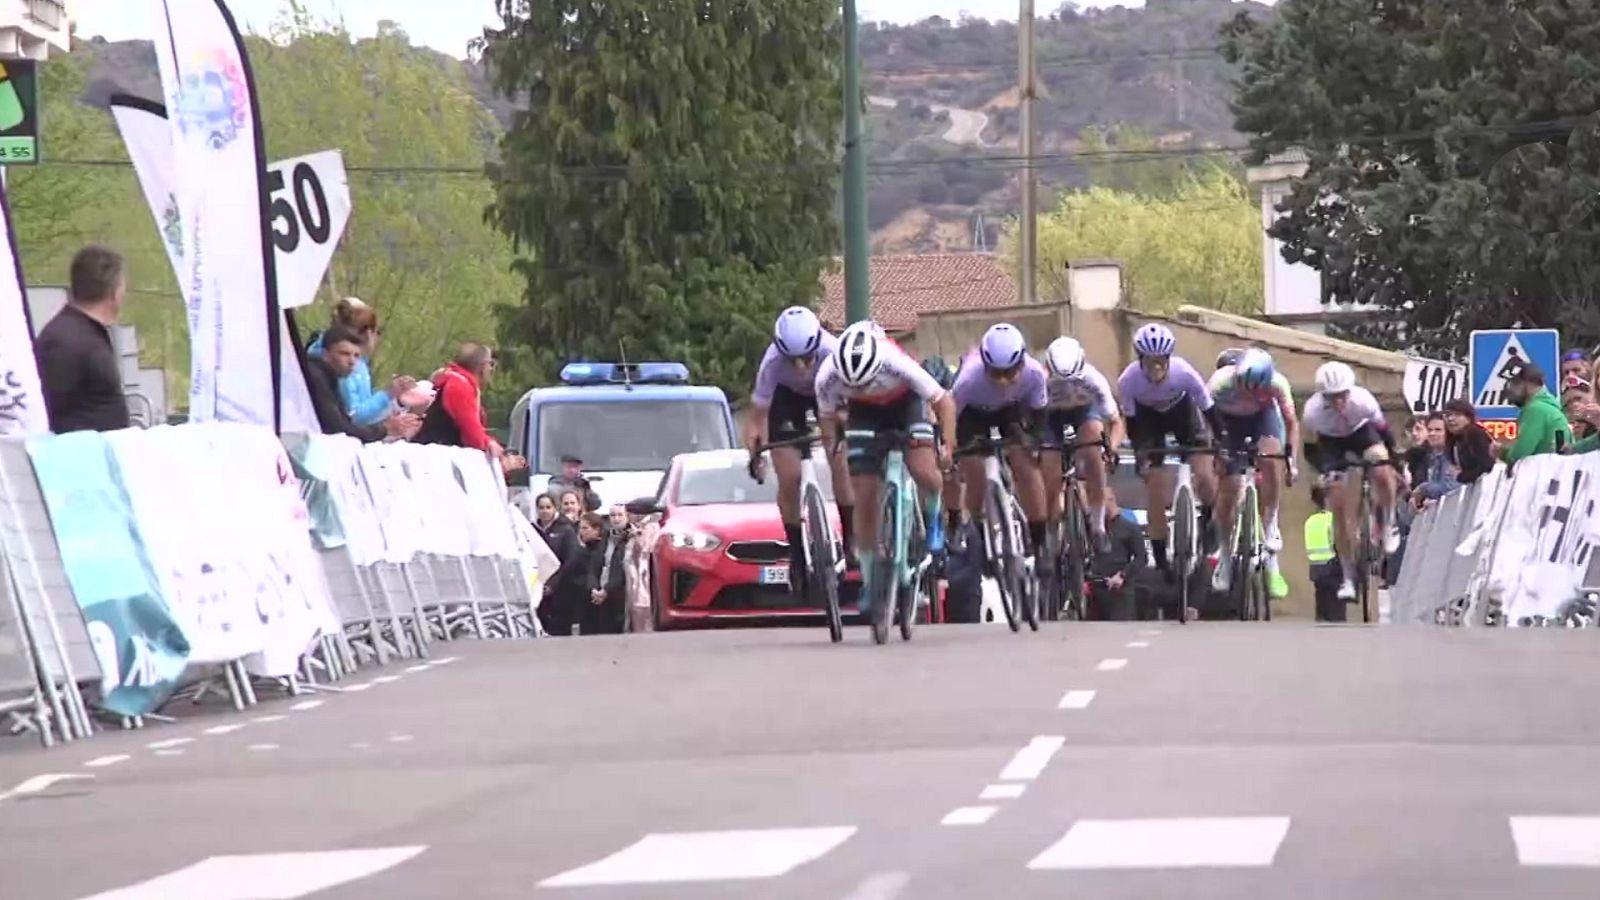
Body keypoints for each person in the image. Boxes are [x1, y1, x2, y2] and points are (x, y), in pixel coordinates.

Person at [815, 320, 956, 606]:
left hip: (905, 405)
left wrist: (948, 447)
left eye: (866, 381)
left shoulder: (896, 362)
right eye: (855, 384)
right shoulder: (827, 376)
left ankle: (934, 515)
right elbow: (828, 420)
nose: (863, 386)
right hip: (863, 413)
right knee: (864, 498)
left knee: (922, 469)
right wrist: (834, 448)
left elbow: (944, 403)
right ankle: (870, 580)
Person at [744, 306, 852, 591]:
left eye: (806, 358)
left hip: (826, 393)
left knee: (840, 458)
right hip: (786, 400)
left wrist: (846, 425)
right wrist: (755, 453)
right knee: (788, 477)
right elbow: (756, 418)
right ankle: (796, 555)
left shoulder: (832, 351)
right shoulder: (771, 362)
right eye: (792, 360)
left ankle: (851, 539)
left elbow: (853, 401)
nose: (801, 366)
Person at [947, 323, 1051, 581]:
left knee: (1026, 464)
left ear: (1022, 364)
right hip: (972, 417)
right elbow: (950, 418)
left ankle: (1040, 543)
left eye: (1010, 373)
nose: (1003, 381)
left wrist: (1033, 442)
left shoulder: (1035, 374)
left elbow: (1040, 416)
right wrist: (951, 449)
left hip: (1011, 413)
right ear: (984, 365)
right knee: (974, 471)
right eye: (996, 374)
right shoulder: (968, 380)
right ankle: (979, 530)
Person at [1117, 323, 1220, 580]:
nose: (1156, 368)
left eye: (1161, 361)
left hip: (1184, 418)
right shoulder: (1128, 381)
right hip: (1149, 423)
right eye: (1150, 362)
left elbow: (1209, 410)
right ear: (1141, 359)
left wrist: (1221, 440)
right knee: (1155, 485)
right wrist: (1142, 454)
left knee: (1205, 474)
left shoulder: (1184, 372)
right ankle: (1161, 555)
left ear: (1169, 358)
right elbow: (1132, 426)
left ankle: (1209, 515)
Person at [1301, 360, 1400, 602]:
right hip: (1330, 444)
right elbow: (1311, 449)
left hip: (1361, 433)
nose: (1338, 402)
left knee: (1381, 467)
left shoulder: (1363, 401)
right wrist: (1324, 472)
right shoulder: (1312, 413)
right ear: (1322, 396)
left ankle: (1388, 522)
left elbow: (1385, 433)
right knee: (1337, 504)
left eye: (1342, 396)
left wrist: (1393, 462)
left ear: (1350, 391)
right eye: (1332, 397)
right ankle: (1347, 577)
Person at [1206, 348, 1299, 598]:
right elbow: (1205, 422)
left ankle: (1270, 523)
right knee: (1229, 489)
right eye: (1244, 388)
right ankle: (1225, 555)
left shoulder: (1278, 384)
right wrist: (1216, 453)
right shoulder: (1219, 384)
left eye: (1255, 390)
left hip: (1263, 419)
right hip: (1228, 424)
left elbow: (1291, 424)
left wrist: (1291, 461)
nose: (1248, 394)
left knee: (1271, 458)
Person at [1037, 336, 1122, 552]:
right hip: (1050, 417)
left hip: (1084, 412)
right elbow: (1029, 419)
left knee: (1094, 453)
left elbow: (1115, 421)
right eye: (1061, 382)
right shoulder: (1038, 380)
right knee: (1050, 475)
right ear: (1048, 367)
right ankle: (1052, 529)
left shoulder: (1094, 379)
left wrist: (1110, 448)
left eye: (1073, 381)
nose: (1067, 386)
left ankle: (1097, 525)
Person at [35, 245, 131, 433]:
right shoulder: (64, 342)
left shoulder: (82, 334)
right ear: (114, 291)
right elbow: (49, 411)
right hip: (77, 458)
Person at [415, 342, 526, 475]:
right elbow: (472, 435)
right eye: (491, 364)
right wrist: (492, 449)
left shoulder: (454, 380)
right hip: (437, 460)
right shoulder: (459, 386)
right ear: (482, 366)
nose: (492, 370)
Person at [306, 297, 414, 426]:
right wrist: (387, 394)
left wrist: (396, 402)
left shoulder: (358, 362)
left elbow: (366, 406)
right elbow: (353, 416)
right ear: (368, 333)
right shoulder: (341, 366)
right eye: (377, 332)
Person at [306, 325, 420, 443]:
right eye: (344, 354)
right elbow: (339, 429)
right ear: (326, 355)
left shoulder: (328, 377)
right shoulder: (316, 378)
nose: (351, 361)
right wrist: (385, 428)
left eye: (356, 356)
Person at [1088, 487, 1146, 621]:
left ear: (1110, 500)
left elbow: (1141, 557)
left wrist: (1122, 575)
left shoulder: (1130, 528)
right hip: (1096, 588)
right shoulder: (1095, 528)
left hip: (1120, 590)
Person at [1500, 362, 1569, 467]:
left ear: (1527, 383)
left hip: (1544, 475)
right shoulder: (1550, 409)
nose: (1511, 390)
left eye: (1514, 384)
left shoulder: (1536, 410)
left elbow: (1521, 452)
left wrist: (1501, 452)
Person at [1303, 484, 1343, 622]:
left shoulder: (1310, 521)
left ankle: (1321, 618)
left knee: (1321, 598)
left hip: (1315, 567)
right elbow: (1337, 542)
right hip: (1332, 567)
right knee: (1336, 606)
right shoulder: (1331, 519)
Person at [1442, 399, 1494, 484]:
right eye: (1448, 415)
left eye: (1457, 415)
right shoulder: (1454, 441)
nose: (1451, 419)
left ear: (1469, 418)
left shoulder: (1475, 434)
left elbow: (1486, 466)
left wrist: (1461, 476)